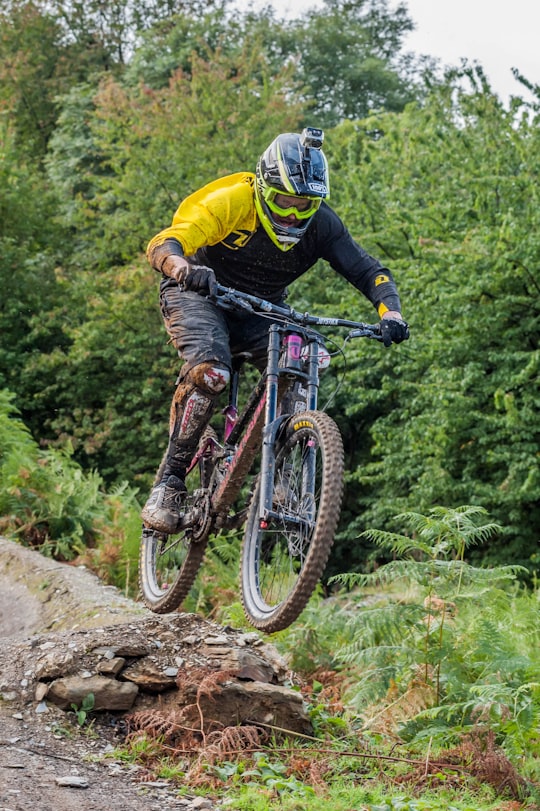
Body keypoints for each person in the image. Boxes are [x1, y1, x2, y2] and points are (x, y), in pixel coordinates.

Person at [142, 127, 409, 534]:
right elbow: (167, 242)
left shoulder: (321, 225)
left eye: (305, 204)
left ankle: (284, 482)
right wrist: (184, 269)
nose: (293, 213)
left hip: (260, 308)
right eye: (285, 200)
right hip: (198, 293)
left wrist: (391, 313)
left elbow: (369, 271)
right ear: (265, 187)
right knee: (212, 374)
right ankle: (169, 482)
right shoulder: (232, 201)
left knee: (304, 354)